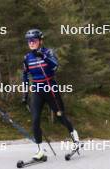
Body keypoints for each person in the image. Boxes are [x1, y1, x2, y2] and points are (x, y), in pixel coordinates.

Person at [22, 29, 80, 160]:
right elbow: (25, 76)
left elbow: (55, 66)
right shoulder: (27, 58)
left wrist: (43, 57)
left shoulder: (48, 52)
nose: (31, 43)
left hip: (50, 88)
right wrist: (25, 93)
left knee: (60, 116)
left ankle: (75, 139)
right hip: (37, 90)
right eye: (29, 41)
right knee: (35, 120)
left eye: (34, 41)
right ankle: (40, 151)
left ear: (40, 41)